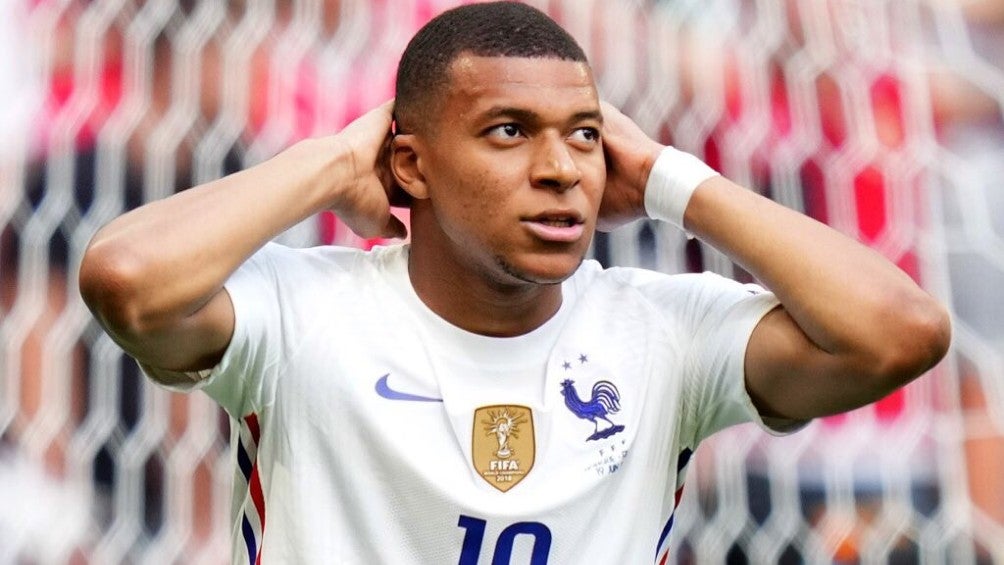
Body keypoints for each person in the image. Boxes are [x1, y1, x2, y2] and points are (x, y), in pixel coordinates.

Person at [77, 2, 951, 563]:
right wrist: (333, 162)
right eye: (509, 131)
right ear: (410, 163)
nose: (560, 168)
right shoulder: (300, 313)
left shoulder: (661, 331)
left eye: (584, 134)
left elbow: (900, 332)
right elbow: (126, 278)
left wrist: (669, 180)